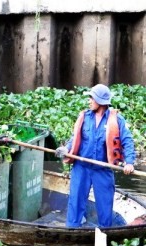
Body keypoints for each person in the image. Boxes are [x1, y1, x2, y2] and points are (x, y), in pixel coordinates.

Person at [55, 84, 135, 228]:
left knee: (105, 206)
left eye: (92, 98)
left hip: (102, 170)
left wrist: (129, 162)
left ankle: (104, 234)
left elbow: (127, 141)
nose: (89, 101)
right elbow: (75, 138)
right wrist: (65, 148)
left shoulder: (117, 120)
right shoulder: (85, 117)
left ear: (100, 101)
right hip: (81, 167)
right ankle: (72, 231)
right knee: (76, 202)